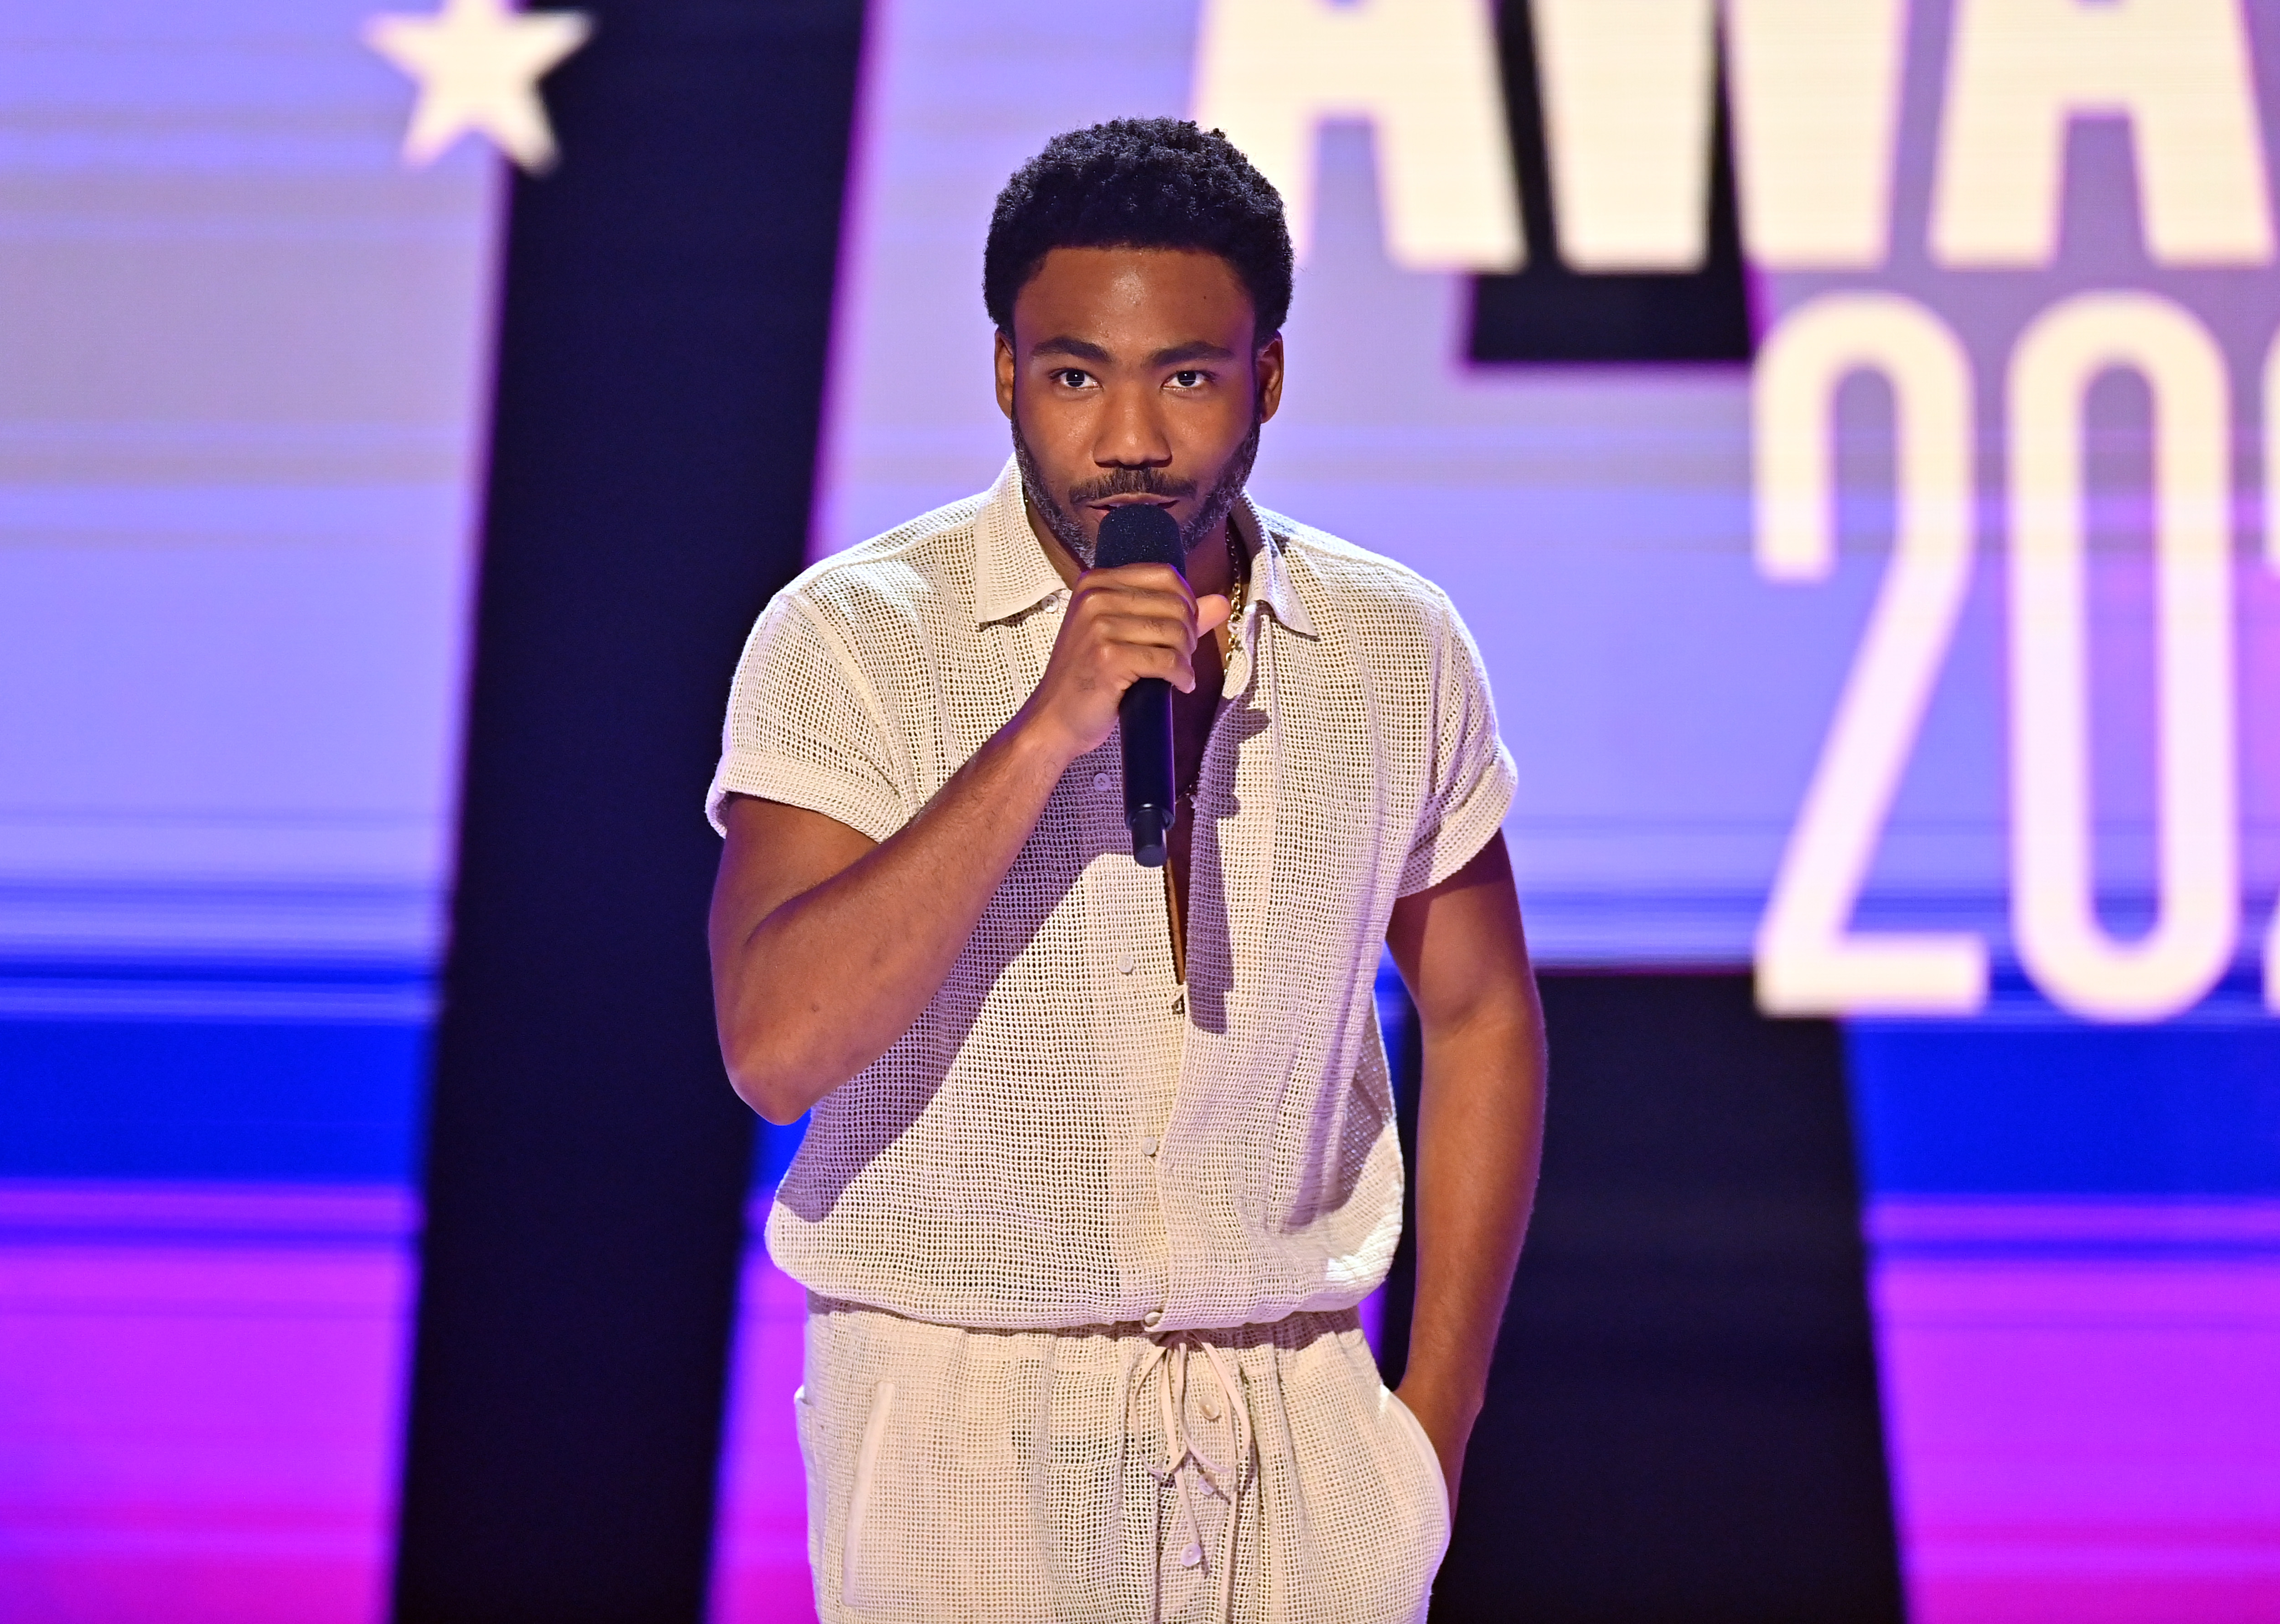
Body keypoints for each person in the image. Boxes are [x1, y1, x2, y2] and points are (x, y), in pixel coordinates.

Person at [706, 118, 1546, 1624]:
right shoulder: (852, 637)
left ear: (1268, 378)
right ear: (1007, 377)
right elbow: (776, 1046)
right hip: (962, 1430)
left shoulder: (1393, 643)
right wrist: (1044, 732)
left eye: (1188, 375)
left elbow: (1480, 1009)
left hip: (1297, 1427)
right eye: (1076, 374)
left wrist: (1432, 1422)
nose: (1133, 438)